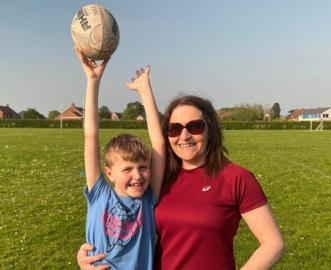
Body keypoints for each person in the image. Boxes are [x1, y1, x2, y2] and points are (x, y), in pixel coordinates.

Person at [77, 95, 284, 270]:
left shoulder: (236, 178)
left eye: (194, 126)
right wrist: (87, 254)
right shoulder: (162, 179)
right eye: (174, 128)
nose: (184, 135)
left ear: (210, 129)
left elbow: (273, 244)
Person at [75, 47, 165, 270]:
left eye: (143, 167)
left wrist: (144, 90)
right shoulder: (99, 195)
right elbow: (91, 134)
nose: (137, 176)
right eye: (127, 169)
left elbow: (159, 144)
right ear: (109, 173)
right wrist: (93, 80)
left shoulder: (147, 199)